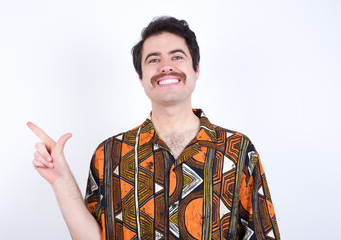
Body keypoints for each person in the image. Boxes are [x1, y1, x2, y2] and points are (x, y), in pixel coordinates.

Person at [28, 16, 280, 240]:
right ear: (141, 76)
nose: (166, 66)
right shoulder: (110, 154)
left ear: (196, 69)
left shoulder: (237, 150)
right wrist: (60, 180)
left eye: (177, 56)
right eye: (154, 59)